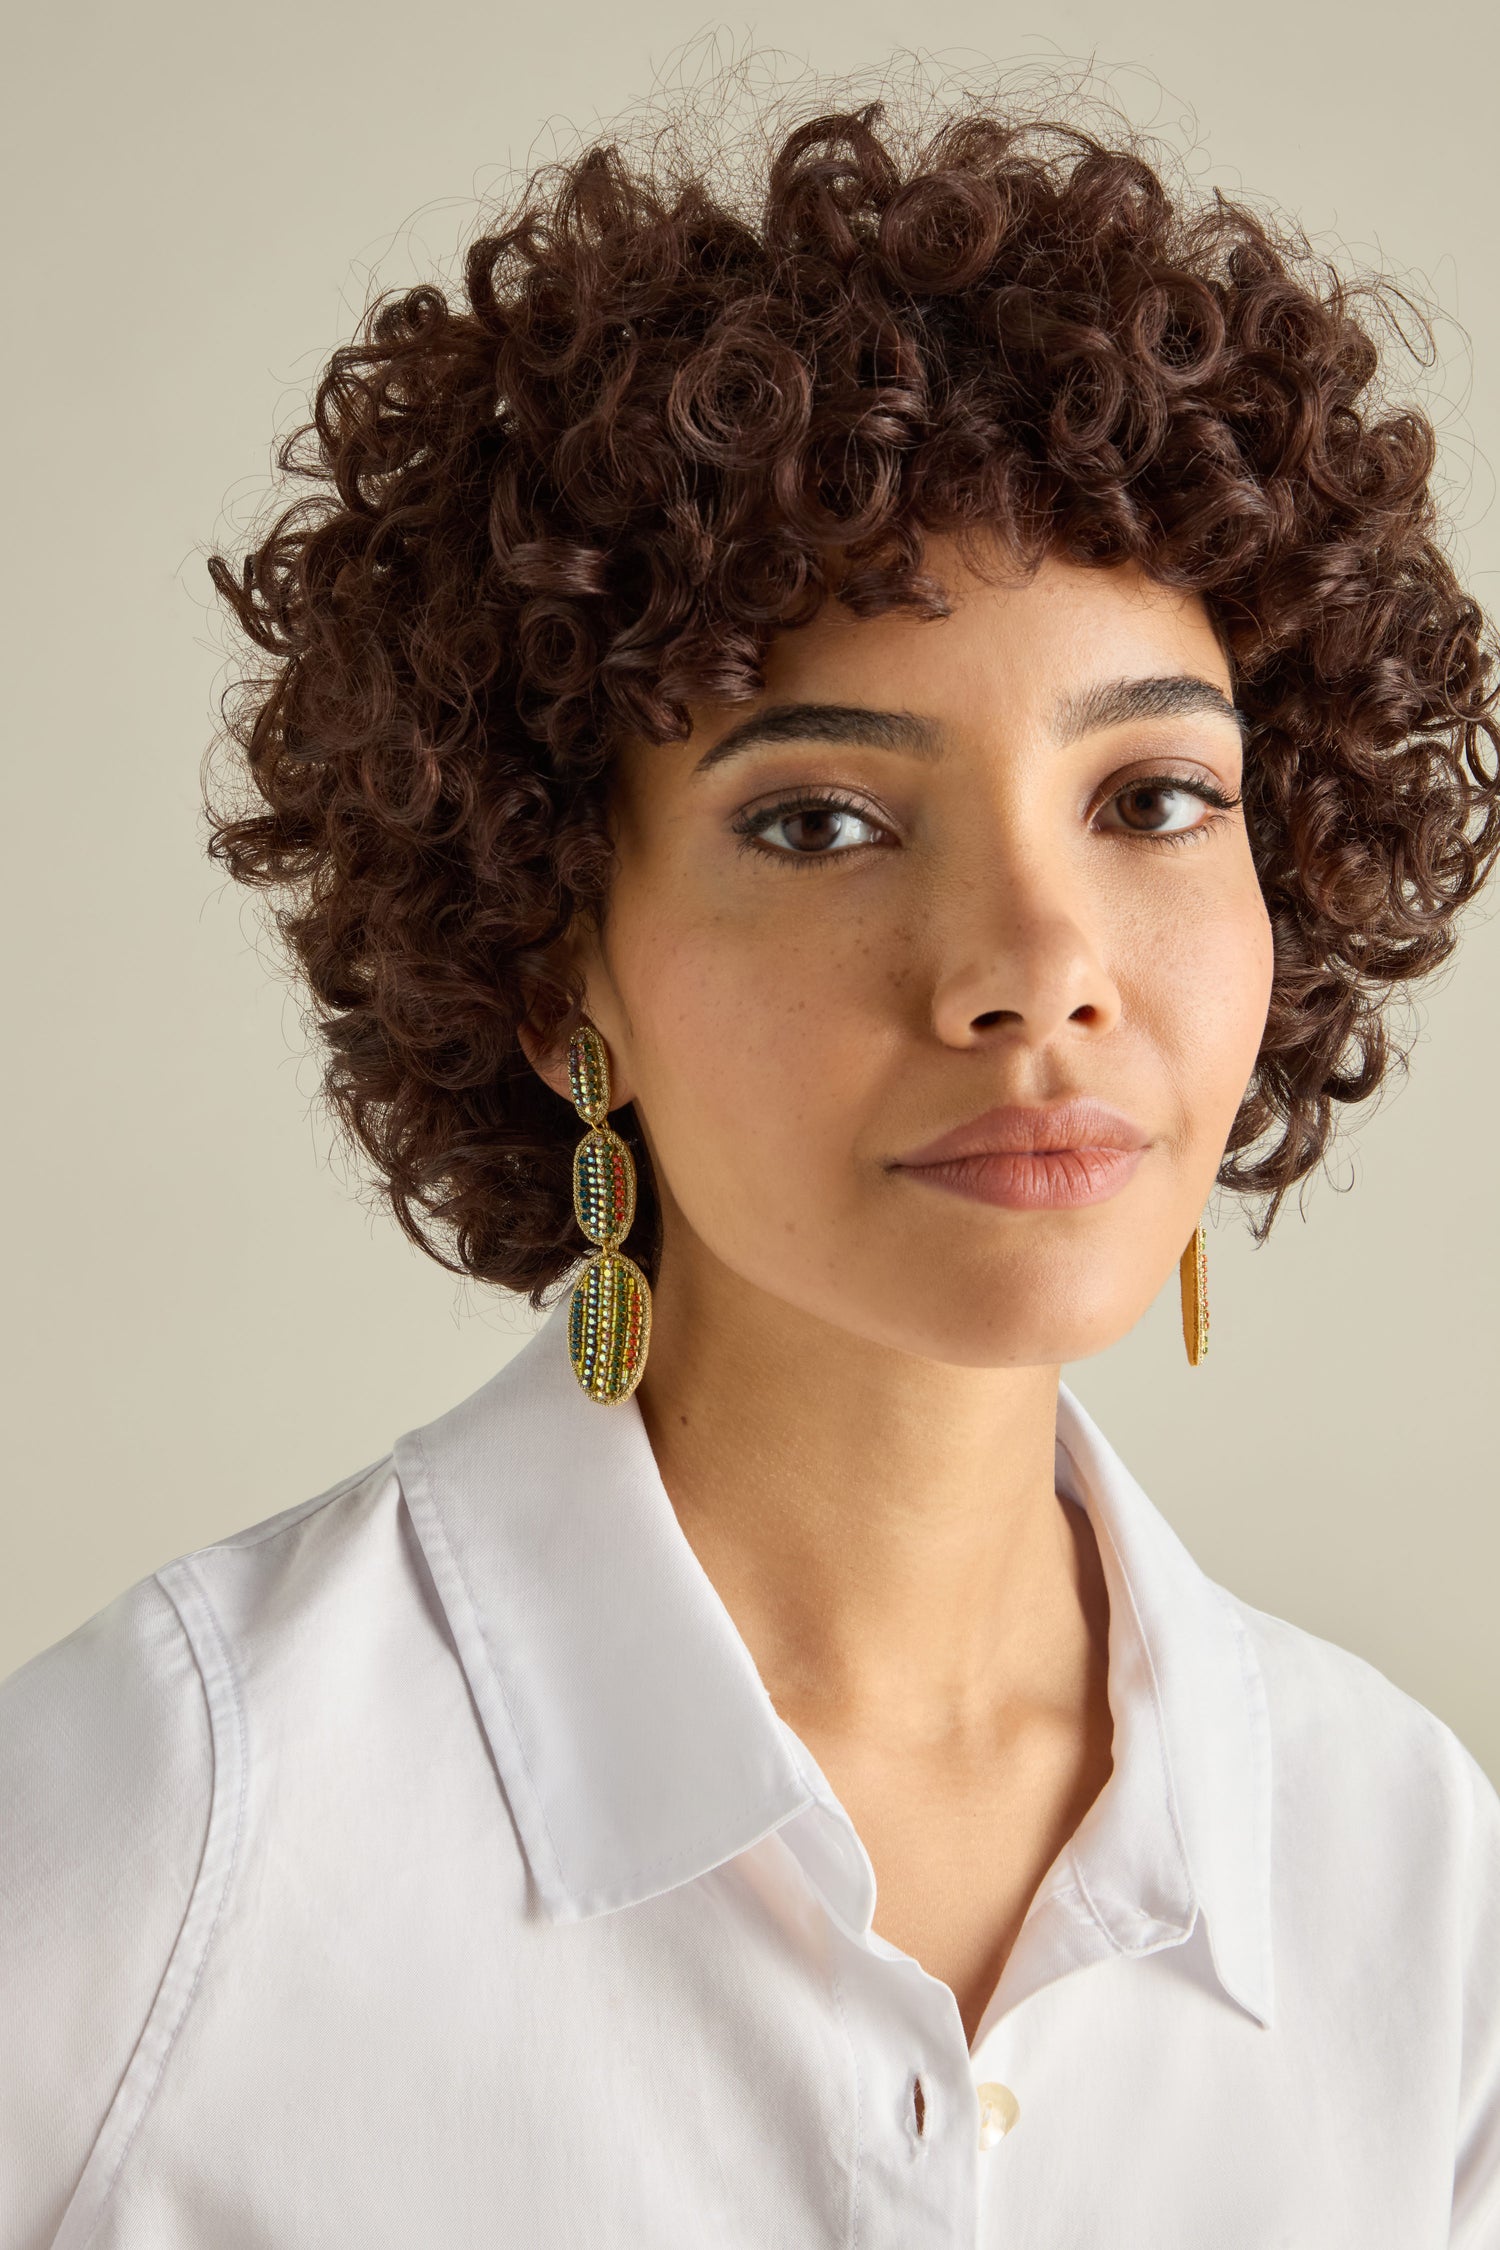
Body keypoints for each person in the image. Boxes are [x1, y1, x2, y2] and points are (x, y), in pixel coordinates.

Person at [3, 84, 1498, 2250]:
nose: (1031, 971)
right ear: (553, 963)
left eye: (1155, 798)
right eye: (820, 821)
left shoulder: (1407, 1883)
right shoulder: (171, 1838)